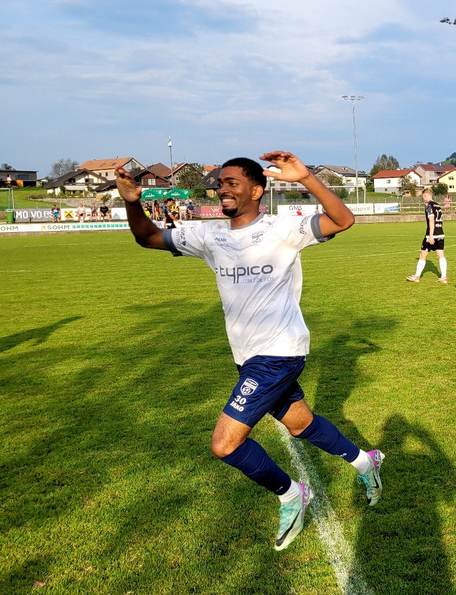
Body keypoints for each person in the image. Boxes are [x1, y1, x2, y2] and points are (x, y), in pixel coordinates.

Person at [114, 151, 384, 552]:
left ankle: (292, 494)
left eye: (232, 183)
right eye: (220, 183)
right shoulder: (209, 236)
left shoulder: (283, 229)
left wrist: (305, 178)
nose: (222, 189)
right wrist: (132, 202)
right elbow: (147, 238)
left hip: (279, 352)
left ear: (256, 191)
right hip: (248, 357)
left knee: (225, 444)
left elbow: (343, 219)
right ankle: (365, 462)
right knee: (300, 424)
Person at [406, 188, 448, 283]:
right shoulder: (437, 205)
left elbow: (431, 220)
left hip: (431, 235)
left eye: (423, 197)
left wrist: (431, 235)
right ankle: (444, 277)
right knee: (441, 255)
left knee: (423, 255)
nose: (423, 199)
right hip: (440, 233)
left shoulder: (429, 205)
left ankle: (417, 276)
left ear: (425, 196)